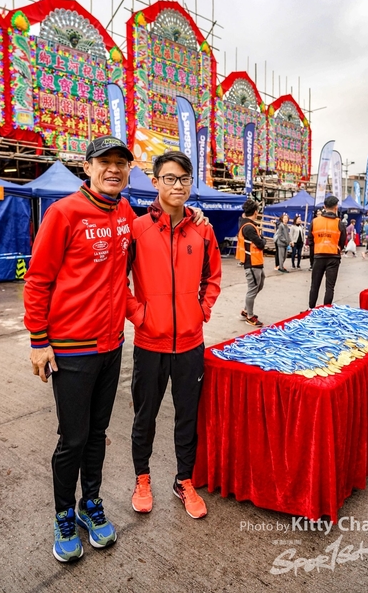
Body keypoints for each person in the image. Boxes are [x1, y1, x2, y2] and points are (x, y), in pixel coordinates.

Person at [23, 137, 206, 562]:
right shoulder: (63, 213)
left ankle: (90, 504)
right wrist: (38, 341)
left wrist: (193, 213)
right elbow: (38, 280)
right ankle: (63, 514)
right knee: (73, 438)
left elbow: (159, 218)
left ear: (128, 171)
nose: (113, 169)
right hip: (71, 348)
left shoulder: (124, 212)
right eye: (104, 162)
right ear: (87, 167)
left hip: (111, 346)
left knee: (98, 436)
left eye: (121, 163)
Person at [126, 151, 221, 520]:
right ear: (155, 182)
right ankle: (142, 478)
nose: (177, 185)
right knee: (144, 417)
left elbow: (212, 278)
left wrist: (201, 311)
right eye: (169, 178)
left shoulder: (203, 229)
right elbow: (118, 282)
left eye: (184, 178)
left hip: (190, 344)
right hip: (150, 343)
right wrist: (140, 315)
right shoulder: (137, 229)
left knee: (187, 417)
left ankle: (184, 480)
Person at [308, 195, 346, 309]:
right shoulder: (339, 223)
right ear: (336, 207)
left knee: (314, 285)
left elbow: (310, 241)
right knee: (330, 287)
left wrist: (313, 258)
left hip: (318, 256)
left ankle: (311, 309)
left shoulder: (315, 222)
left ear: (324, 207)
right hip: (333, 257)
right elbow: (343, 241)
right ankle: (326, 310)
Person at [235, 199, 265, 327]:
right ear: (255, 212)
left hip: (255, 262)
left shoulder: (247, 225)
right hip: (252, 263)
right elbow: (260, 244)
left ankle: (246, 310)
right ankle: (249, 316)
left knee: (259, 285)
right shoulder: (248, 227)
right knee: (253, 289)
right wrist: (262, 240)